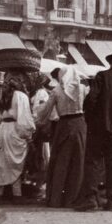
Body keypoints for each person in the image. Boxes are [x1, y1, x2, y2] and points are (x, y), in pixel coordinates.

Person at [75, 49, 112, 211]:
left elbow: (92, 99)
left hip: (99, 126)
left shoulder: (102, 76)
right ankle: (111, 199)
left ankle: (91, 197)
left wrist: (89, 117)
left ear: (111, 62)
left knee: (92, 161)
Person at [36, 65, 87, 208]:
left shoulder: (56, 91)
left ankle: (56, 198)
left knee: (61, 161)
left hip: (64, 125)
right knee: (78, 161)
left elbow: (45, 111)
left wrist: (37, 115)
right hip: (80, 124)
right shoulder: (83, 89)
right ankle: (73, 197)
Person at [0, 76, 36, 201]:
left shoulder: (2, 94)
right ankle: (17, 194)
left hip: (3, 128)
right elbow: (24, 117)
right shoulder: (21, 96)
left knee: (1, 161)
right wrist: (27, 135)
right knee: (15, 162)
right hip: (15, 128)